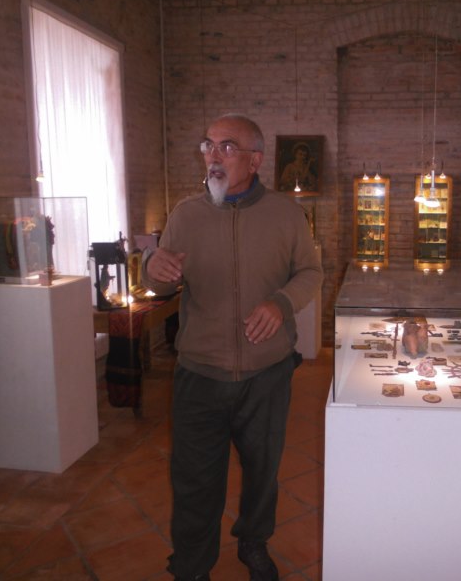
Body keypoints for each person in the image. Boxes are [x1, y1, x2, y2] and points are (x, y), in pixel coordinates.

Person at [142, 113, 323, 581]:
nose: (213, 156)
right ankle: (192, 565)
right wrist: (152, 270)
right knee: (194, 479)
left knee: (263, 472)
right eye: (208, 146)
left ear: (255, 160)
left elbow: (310, 272)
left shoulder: (287, 214)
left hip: (267, 373)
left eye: (227, 147)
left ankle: (253, 542)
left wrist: (281, 303)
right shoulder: (186, 214)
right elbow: (162, 282)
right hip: (200, 374)